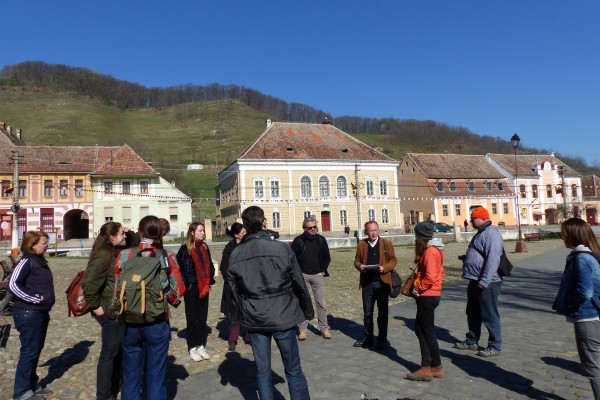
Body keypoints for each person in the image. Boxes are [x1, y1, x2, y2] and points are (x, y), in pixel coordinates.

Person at [228, 206, 314, 400]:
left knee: (263, 372)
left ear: (246, 226)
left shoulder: (237, 254)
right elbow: (299, 282)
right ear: (264, 223)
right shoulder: (282, 248)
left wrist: (235, 318)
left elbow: (234, 292)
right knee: (293, 369)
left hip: (256, 317)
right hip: (282, 314)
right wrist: (307, 311)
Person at [116, 216, 185, 400]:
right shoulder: (166, 255)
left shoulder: (124, 255)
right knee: (155, 377)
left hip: (130, 322)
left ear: (140, 233)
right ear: (159, 233)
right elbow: (179, 289)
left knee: (130, 377)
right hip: (157, 322)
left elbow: (117, 287)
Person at [553, 218, 600, 398]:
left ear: (573, 235)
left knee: (593, 368)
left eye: (564, 233)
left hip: (588, 318)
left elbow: (585, 292)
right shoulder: (593, 254)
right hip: (594, 315)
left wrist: (568, 302)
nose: (562, 237)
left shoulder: (581, 258)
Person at [82, 222, 126, 400]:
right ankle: (104, 394)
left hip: (115, 310)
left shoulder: (114, 251)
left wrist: (128, 233)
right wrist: (97, 308)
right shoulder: (103, 255)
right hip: (108, 311)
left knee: (117, 351)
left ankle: (114, 387)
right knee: (109, 353)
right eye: (122, 233)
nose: (124, 235)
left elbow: (131, 244)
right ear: (111, 237)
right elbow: (88, 284)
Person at [8, 231, 54, 400]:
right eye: (44, 242)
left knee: (35, 350)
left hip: (40, 312)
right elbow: (13, 284)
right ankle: (21, 392)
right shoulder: (26, 260)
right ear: (33, 245)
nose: (47, 245)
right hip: (28, 313)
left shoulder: (39, 260)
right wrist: (34, 298)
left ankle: (32, 384)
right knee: (29, 351)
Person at [453, 206, 504, 357]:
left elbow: (493, 259)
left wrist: (485, 280)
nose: (471, 221)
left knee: (489, 314)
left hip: (487, 282)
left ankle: (494, 345)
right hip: (475, 279)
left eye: (473, 219)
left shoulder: (491, 233)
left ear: (482, 218)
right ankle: (472, 341)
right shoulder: (482, 232)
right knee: (472, 312)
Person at [406, 220, 445, 382]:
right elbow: (439, 273)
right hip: (432, 294)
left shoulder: (430, 252)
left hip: (427, 295)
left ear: (421, 237)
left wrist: (418, 288)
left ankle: (428, 366)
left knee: (425, 331)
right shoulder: (436, 250)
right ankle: (434, 366)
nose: (415, 239)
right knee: (422, 329)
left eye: (416, 236)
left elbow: (431, 276)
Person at [353, 220, 398, 349]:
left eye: (375, 230)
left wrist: (384, 268)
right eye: (370, 230)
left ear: (378, 230)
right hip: (367, 283)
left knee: (382, 313)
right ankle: (368, 338)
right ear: (366, 232)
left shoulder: (386, 243)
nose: (373, 233)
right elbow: (356, 261)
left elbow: (393, 260)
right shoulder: (362, 244)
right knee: (367, 313)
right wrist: (360, 267)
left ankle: (382, 339)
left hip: (382, 283)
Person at [176, 222, 215, 361]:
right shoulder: (185, 248)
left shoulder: (204, 247)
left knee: (202, 317)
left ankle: (201, 345)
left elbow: (209, 265)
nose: (203, 233)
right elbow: (182, 267)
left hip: (204, 287)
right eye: (200, 230)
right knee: (192, 318)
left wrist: (210, 279)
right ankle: (192, 347)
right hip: (192, 288)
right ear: (192, 232)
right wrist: (189, 284)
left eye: (203, 230)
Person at [291, 216, 332, 340]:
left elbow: (327, 257)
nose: (313, 229)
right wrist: (297, 273)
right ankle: (302, 329)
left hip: (317, 275)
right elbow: (292, 258)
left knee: (320, 303)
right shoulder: (298, 240)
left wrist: (323, 270)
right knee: (303, 302)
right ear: (304, 228)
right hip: (303, 275)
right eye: (310, 228)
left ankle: (324, 328)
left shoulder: (321, 240)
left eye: (315, 227)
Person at [219, 222, 248, 351]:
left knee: (248, 311)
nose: (245, 234)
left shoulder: (248, 245)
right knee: (233, 313)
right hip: (232, 285)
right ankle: (233, 339)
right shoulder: (229, 248)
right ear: (236, 235)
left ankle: (249, 337)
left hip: (247, 284)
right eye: (243, 232)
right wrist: (232, 281)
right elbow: (224, 267)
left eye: (245, 232)